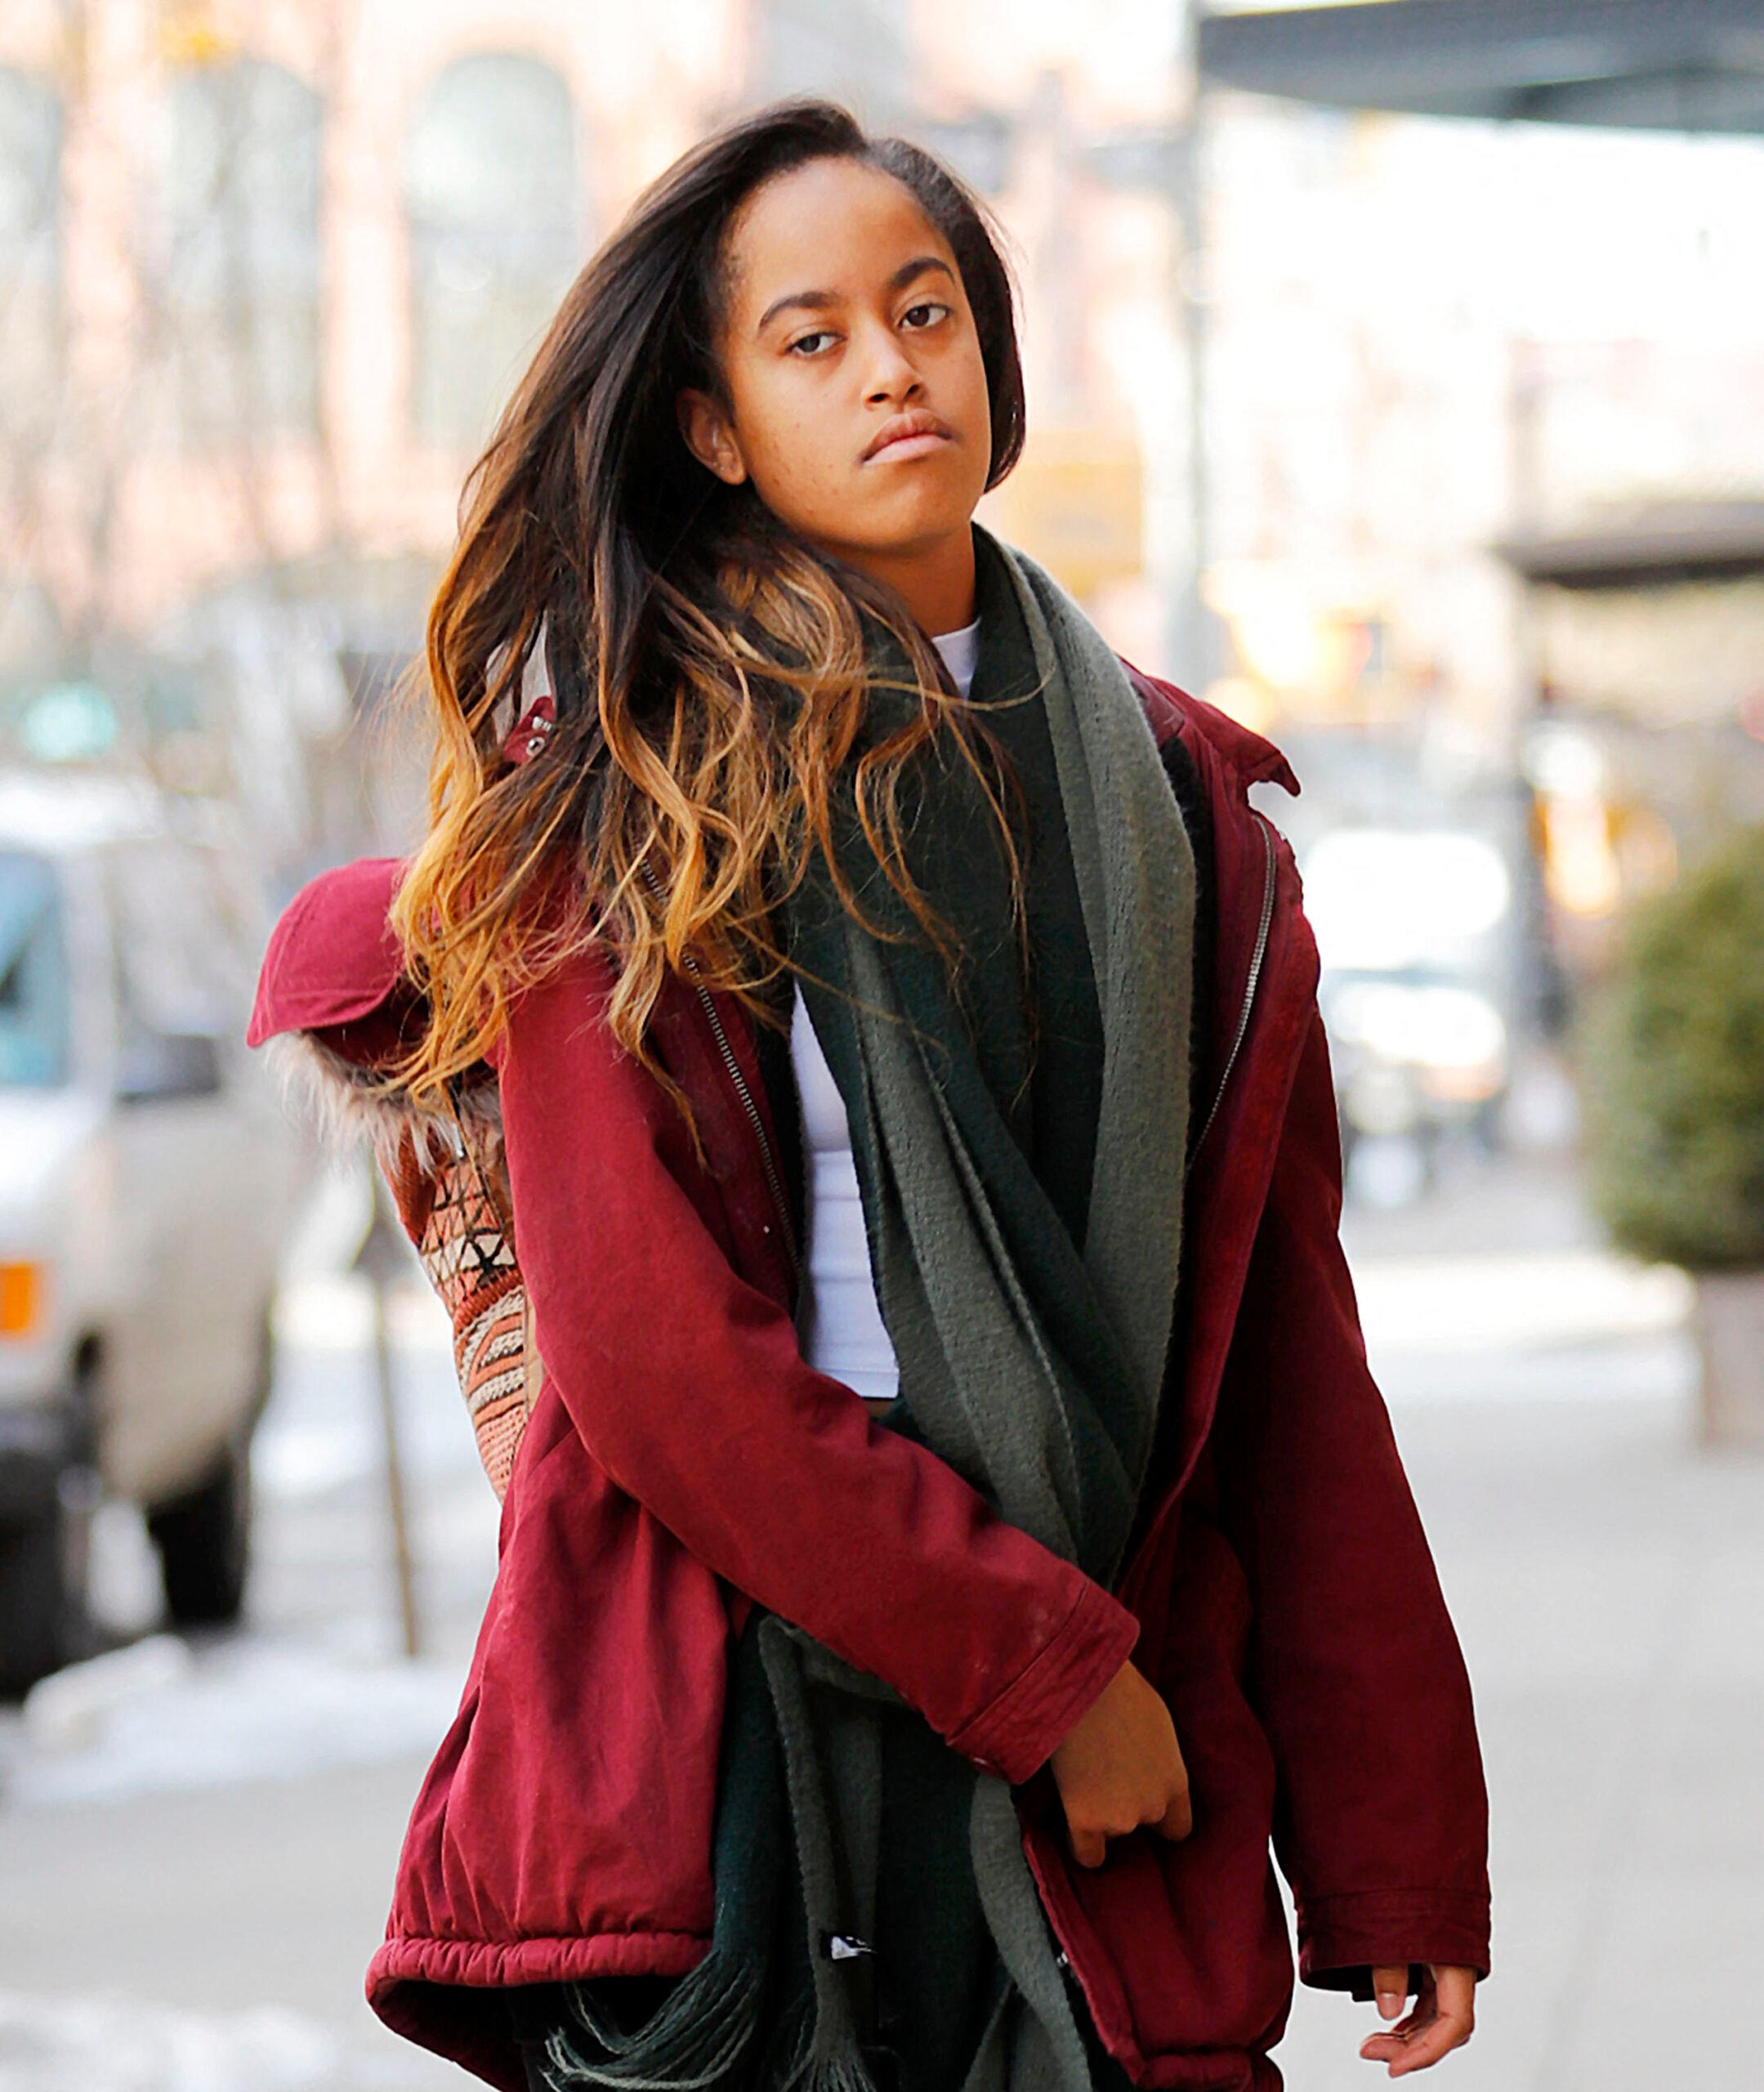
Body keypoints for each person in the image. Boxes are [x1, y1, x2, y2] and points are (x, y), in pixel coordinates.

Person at [245, 96, 1489, 2092]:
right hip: (751, 1734)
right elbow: (657, 1353)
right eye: (810, 337)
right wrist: (1043, 1673)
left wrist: (1394, 1843)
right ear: (717, 422)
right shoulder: (635, 798)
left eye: (927, 312)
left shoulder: (1187, 819)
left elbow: (1283, 1361)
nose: (892, 366)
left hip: (1117, 1738)